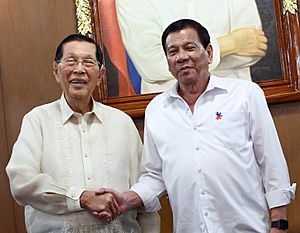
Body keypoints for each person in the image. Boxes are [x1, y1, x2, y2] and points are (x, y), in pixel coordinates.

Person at [97, 19, 296, 233]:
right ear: (168, 62)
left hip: (247, 228)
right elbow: (155, 176)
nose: (182, 57)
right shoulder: (157, 110)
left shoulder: (245, 94)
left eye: (190, 47)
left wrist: (279, 222)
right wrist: (127, 200)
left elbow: (270, 159)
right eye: (173, 51)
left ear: (209, 53)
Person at [6, 34, 159, 233]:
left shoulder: (122, 123)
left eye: (88, 62)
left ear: (100, 74)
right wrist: (81, 198)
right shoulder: (37, 120)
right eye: (71, 61)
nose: (79, 69)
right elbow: (21, 182)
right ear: (56, 70)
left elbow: (143, 191)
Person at [115, 0, 268, 94]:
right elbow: (152, 64)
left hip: (233, 101)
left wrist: (181, 63)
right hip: (171, 111)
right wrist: (231, 43)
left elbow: (253, 47)